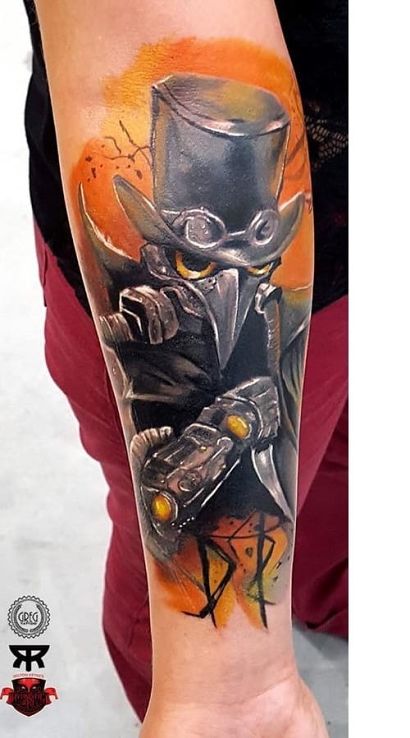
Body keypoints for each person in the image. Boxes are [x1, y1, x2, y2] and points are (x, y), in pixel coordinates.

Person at [23, 1, 347, 736]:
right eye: (201, 258)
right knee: (186, 548)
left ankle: (326, 591)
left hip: (343, 255)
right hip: (193, 362)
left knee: (329, 466)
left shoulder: (259, 287)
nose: (224, 275)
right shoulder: (150, 309)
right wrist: (232, 690)